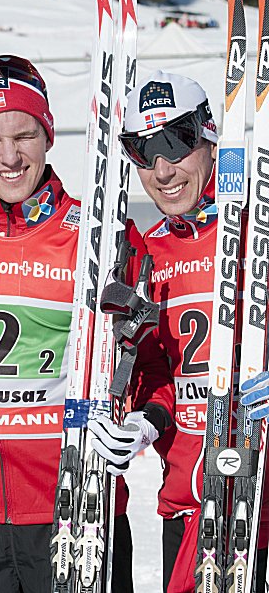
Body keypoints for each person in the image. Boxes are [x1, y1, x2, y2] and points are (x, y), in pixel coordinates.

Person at [0, 54, 175, 592]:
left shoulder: (102, 237)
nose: (10, 157)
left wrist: (145, 422)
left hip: (79, 508)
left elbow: (155, 366)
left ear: (48, 135)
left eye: (25, 135)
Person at [100, 70, 269, 592]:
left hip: (260, 506)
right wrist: (147, 420)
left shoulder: (259, 232)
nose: (163, 169)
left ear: (210, 137)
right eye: (144, 151)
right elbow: (157, 375)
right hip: (190, 503)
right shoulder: (149, 253)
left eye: (175, 143)